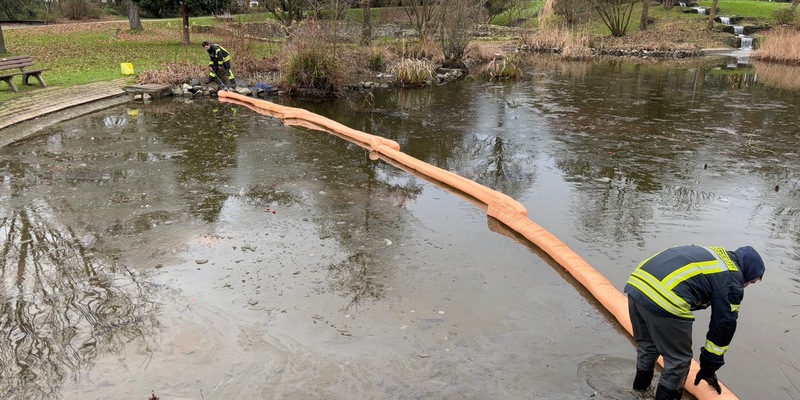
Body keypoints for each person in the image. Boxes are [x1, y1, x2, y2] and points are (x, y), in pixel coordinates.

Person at [624, 245, 765, 400]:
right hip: (665, 297)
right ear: (748, 273)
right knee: (678, 362)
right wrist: (709, 365)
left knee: (648, 347)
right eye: (751, 282)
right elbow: (724, 324)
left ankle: (638, 392)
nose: (746, 286)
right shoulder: (733, 279)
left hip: (637, 284)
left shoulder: (717, 255)